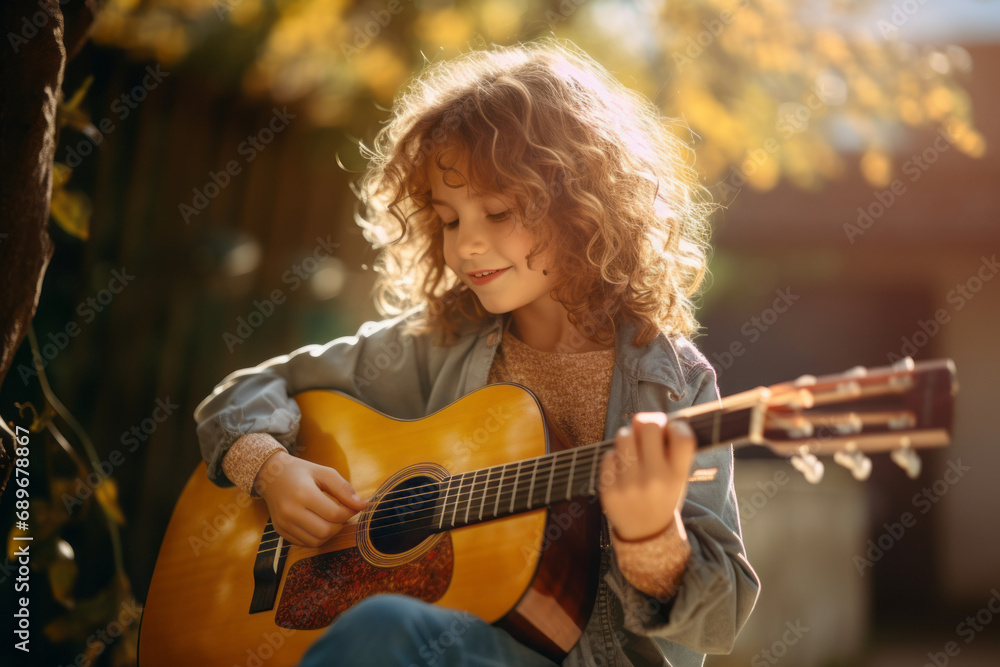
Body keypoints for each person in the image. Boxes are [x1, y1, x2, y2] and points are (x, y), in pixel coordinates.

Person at [194, 36, 759, 667]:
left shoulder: (672, 386)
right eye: (449, 219)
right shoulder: (440, 343)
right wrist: (272, 471)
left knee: (385, 629)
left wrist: (653, 535)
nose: (466, 246)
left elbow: (720, 617)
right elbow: (247, 391)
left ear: (580, 206)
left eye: (498, 211)